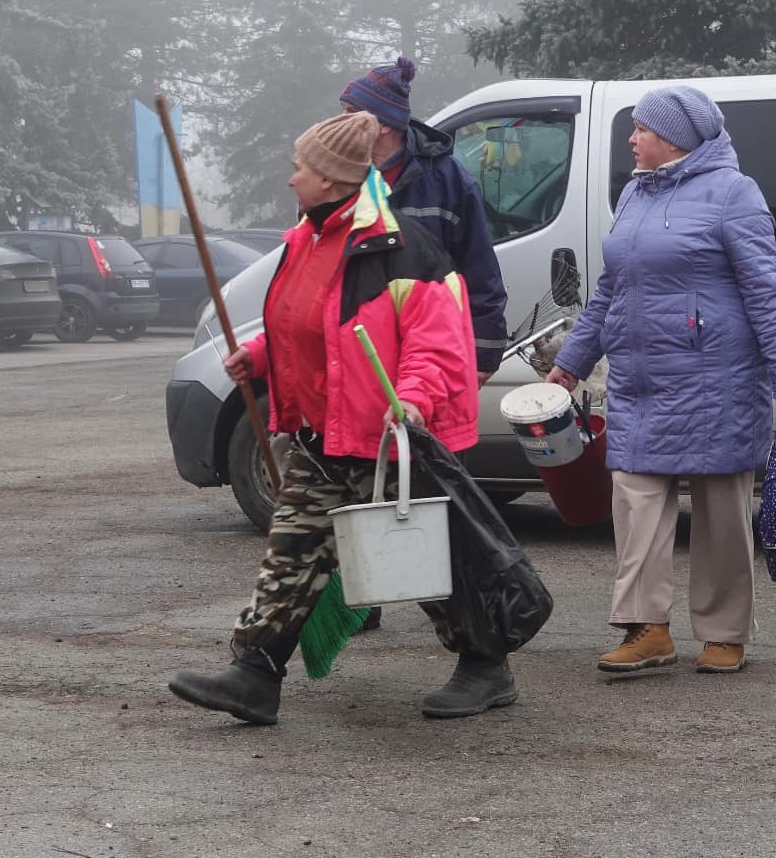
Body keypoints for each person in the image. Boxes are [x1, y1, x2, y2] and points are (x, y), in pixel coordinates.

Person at [169, 112, 516, 724]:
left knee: (426, 564)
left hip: (386, 436)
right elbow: (309, 326)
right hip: (323, 433)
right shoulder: (307, 240)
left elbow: (436, 345)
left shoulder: (402, 246)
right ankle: (255, 674)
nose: (291, 178)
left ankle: (487, 666)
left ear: (330, 180)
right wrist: (260, 356)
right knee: (293, 549)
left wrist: (411, 401)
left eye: (299, 167)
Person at [545, 86, 776, 674]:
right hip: (641, 382)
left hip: (717, 382)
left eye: (640, 129)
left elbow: (767, 293)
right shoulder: (636, 192)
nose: (632, 140)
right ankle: (647, 629)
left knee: (720, 513)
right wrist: (573, 361)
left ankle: (724, 632)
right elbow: (610, 291)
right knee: (635, 501)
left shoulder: (734, 194)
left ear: (674, 138)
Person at [339, 57, 508, 385]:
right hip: (361, 358)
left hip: (430, 357)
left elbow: (479, 268)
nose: (339, 122)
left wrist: (484, 353)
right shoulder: (337, 178)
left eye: (350, 113)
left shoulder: (448, 180)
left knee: (423, 437)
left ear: (383, 123)